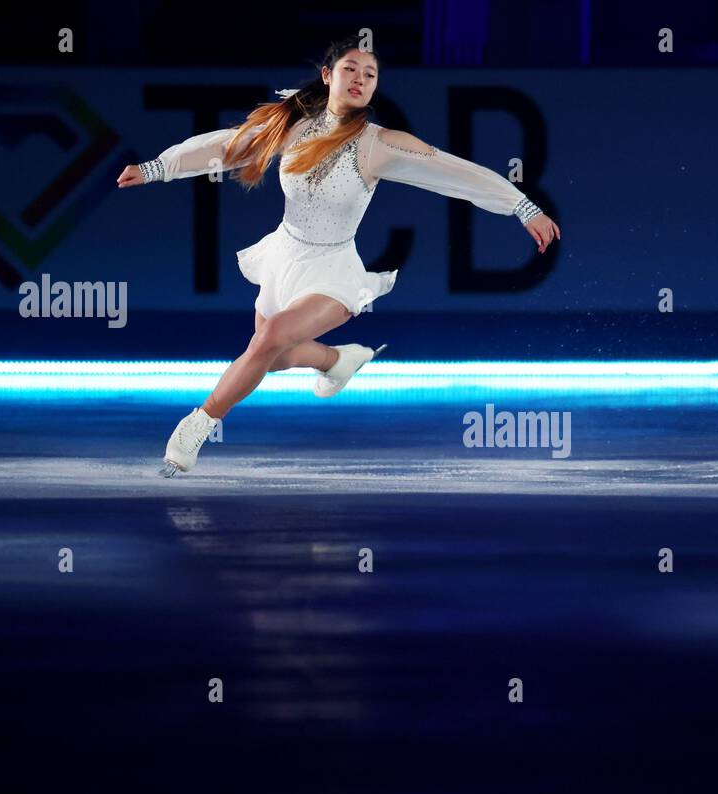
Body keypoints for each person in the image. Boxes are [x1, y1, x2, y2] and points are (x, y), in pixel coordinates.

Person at [116, 36, 561, 476]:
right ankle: (338, 360)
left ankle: (198, 424)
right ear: (327, 75)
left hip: (332, 268)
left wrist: (522, 205)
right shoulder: (292, 128)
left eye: (370, 75)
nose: (360, 79)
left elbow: (450, 171)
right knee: (276, 357)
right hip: (284, 256)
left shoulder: (379, 144)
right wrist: (158, 167)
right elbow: (226, 146)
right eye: (350, 69)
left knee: (269, 340)